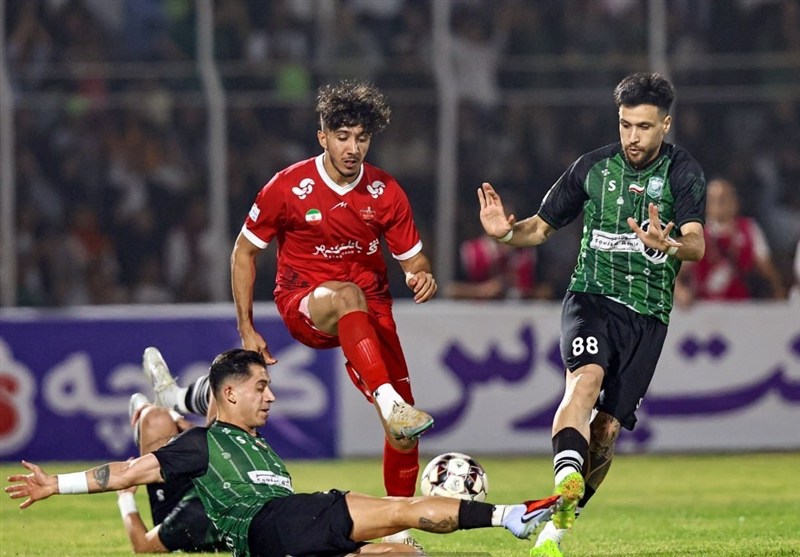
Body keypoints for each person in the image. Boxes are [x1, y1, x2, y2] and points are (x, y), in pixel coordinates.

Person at [7, 349, 564, 557]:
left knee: (404, 554)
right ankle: (512, 517)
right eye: (260, 388)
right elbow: (127, 472)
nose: (271, 396)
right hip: (273, 527)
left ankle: (509, 519)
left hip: (285, 538)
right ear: (230, 395)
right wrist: (56, 484)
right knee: (400, 509)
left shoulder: (265, 455)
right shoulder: (202, 444)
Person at [477, 72, 706, 557]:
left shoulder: (683, 172)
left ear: (665, 124)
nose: (632, 137)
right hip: (591, 297)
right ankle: (565, 478)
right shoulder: (592, 168)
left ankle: (559, 525)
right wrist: (504, 233)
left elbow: (697, 245)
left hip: (648, 314)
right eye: (625, 125)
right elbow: (539, 228)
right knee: (584, 382)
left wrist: (669, 243)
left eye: (644, 126)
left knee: (606, 430)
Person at [229, 79, 436, 546]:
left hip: (372, 310)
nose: (352, 148)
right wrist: (246, 327)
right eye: (342, 137)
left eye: (361, 138)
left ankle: (398, 534)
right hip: (307, 302)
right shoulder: (287, 187)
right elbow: (244, 251)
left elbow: (414, 258)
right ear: (322, 136)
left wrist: (420, 274)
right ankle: (390, 401)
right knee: (346, 296)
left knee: (404, 436)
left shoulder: (385, 190)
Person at [116, 390, 227, 553]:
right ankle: (170, 412)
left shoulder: (191, 514)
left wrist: (125, 497)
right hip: (204, 496)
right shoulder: (196, 513)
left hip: (188, 507)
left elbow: (143, 546)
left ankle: (164, 413)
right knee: (225, 390)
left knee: (154, 418)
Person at [673, 177, 786, 305]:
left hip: (742, 307)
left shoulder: (749, 229)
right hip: (705, 308)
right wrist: (680, 292)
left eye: (723, 199)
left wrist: (778, 291)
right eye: (713, 200)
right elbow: (673, 273)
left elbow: (767, 270)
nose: (718, 204)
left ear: (735, 202)